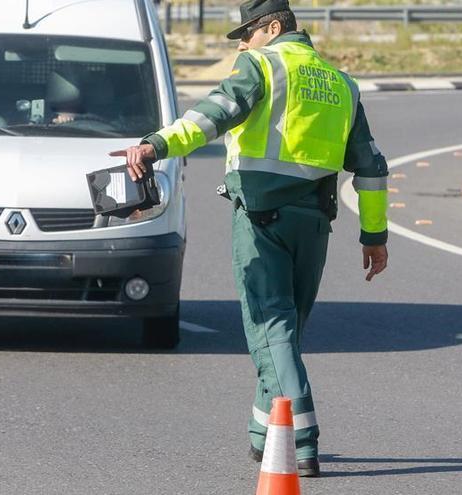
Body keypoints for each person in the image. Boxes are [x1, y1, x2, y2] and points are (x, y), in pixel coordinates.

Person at [109, 0, 389, 477]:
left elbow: (210, 117)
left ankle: (303, 438)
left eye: (246, 33)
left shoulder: (262, 65)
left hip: (261, 221)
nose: (241, 43)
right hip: (315, 224)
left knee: (269, 327)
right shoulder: (341, 83)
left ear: (273, 27)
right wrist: (374, 236)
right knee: (283, 335)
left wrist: (154, 145)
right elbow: (372, 168)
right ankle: (265, 435)